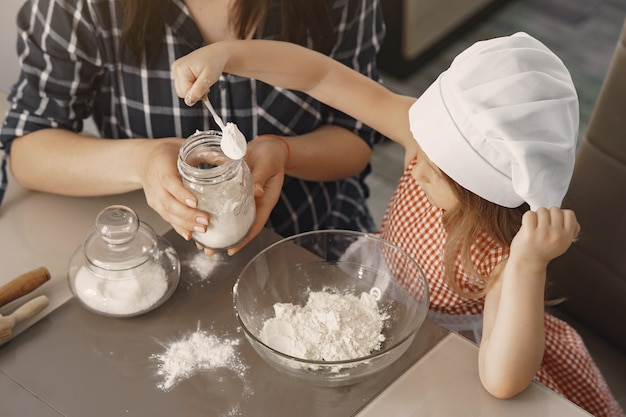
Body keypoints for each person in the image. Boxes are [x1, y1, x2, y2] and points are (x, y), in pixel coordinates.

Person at [170, 33, 625, 416]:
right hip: (374, 294)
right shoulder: (425, 139)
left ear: (484, 195)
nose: (414, 162)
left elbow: (502, 381)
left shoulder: (505, 253)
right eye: (420, 146)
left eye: (436, 168)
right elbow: (322, 76)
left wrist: (529, 264)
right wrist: (231, 55)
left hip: (439, 356)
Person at [0, 0, 385, 251]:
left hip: (313, 241)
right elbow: (28, 149)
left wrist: (284, 152)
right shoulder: (81, 7)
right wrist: (144, 160)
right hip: (161, 248)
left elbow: (357, 133)